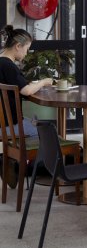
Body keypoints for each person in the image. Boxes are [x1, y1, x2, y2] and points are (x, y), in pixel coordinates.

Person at [0, 25, 53, 188]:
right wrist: (44, 81)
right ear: (18, 46)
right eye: (27, 49)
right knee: (48, 132)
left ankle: (11, 159)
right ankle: (18, 163)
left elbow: (21, 86)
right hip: (10, 126)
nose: (26, 53)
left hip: (4, 123)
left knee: (34, 123)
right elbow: (27, 90)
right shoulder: (8, 65)